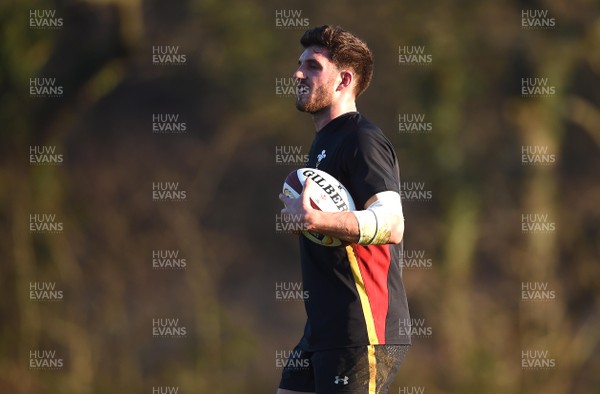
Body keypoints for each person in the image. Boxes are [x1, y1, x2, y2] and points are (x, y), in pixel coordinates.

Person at [277, 25, 411, 394]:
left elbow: (391, 223)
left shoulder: (361, 140)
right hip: (323, 328)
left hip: (362, 328)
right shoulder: (323, 143)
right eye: (299, 63)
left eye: (313, 66)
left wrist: (316, 219)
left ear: (344, 80)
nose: (298, 73)